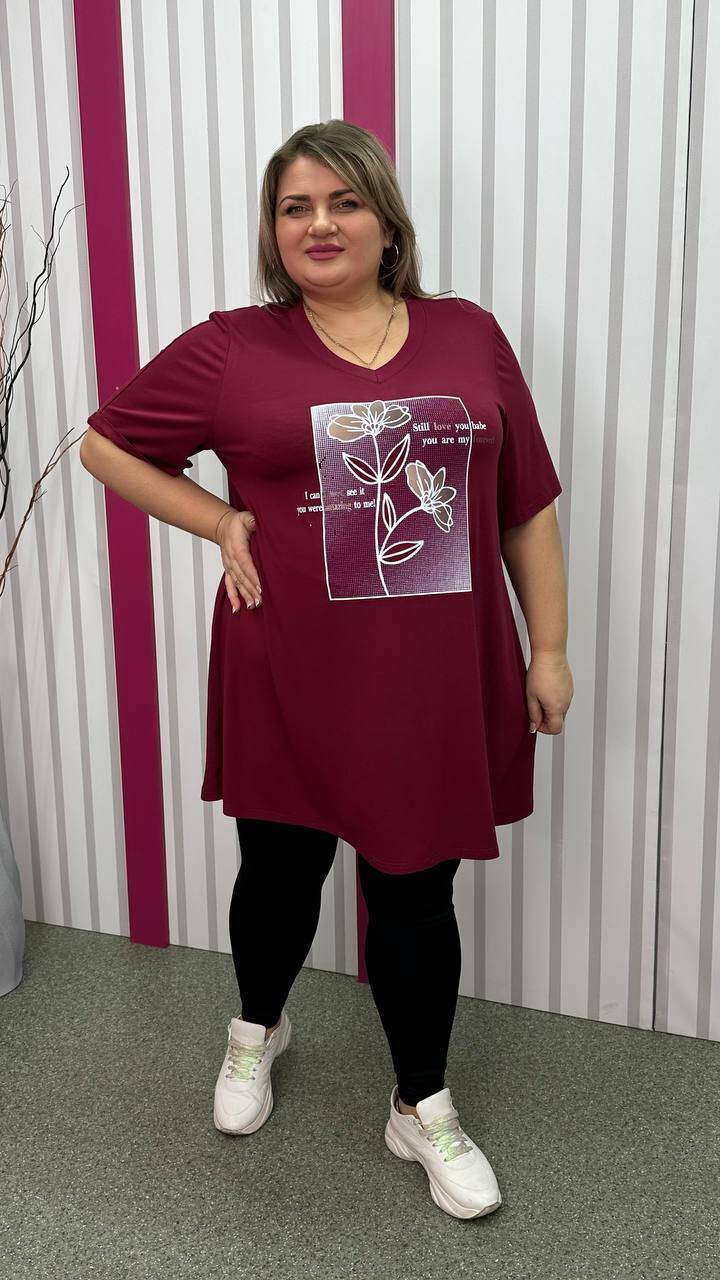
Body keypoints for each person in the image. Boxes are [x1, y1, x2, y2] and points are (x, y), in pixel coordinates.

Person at [80, 119, 572, 1221]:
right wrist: (219, 520)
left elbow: (525, 503)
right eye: (295, 206)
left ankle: (420, 1101)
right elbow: (106, 443)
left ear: (386, 221)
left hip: (432, 678)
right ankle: (256, 1027)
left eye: (344, 202)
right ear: (273, 230)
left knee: (415, 889)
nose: (320, 224)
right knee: (279, 869)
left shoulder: (469, 334)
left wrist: (549, 648)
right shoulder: (232, 347)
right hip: (287, 663)